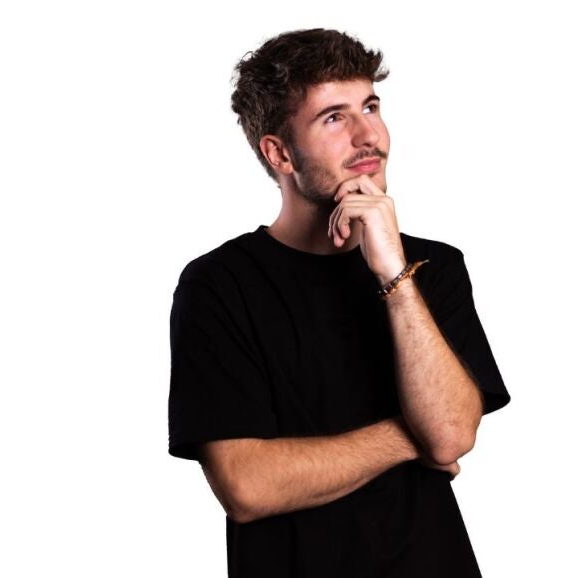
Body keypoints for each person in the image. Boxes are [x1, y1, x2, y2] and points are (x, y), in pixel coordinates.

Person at [168, 28, 510, 577]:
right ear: (279, 152)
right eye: (334, 117)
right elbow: (247, 485)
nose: (368, 135)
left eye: (370, 107)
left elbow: (450, 434)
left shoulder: (435, 266)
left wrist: (393, 272)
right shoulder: (219, 285)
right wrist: (411, 435)